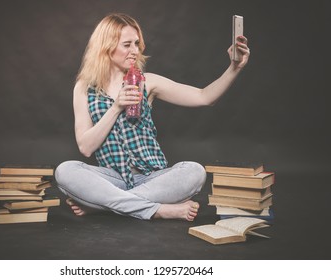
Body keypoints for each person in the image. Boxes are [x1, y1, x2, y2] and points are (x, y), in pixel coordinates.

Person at [55, 13, 250, 221]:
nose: (135, 51)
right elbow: (85, 147)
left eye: (137, 44)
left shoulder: (147, 82)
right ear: (106, 47)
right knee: (65, 171)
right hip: (112, 179)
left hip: (153, 178)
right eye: (127, 45)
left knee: (195, 171)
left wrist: (234, 68)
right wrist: (116, 107)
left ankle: (103, 206)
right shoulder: (84, 89)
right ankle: (159, 210)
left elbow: (204, 97)